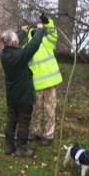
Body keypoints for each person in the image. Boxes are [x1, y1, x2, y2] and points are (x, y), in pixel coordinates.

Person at [0, 23, 44, 157]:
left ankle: (9, 146)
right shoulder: (19, 56)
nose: (18, 41)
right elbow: (33, 45)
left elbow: (12, 42)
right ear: (14, 42)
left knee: (12, 119)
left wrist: (23, 32)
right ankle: (22, 148)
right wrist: (40, 29)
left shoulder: (4, 55)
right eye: (17, 39)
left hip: (11, 96)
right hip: (24, 96)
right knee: (24, 121)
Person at [28, 13, 62, 146]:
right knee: (35, 110)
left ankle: (48, 135)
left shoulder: (46, 41)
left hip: (50, 84)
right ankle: (35, 132)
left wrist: (48, 23)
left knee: (49, 109)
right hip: (36, 85)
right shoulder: (28, 45)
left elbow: (53, 33)